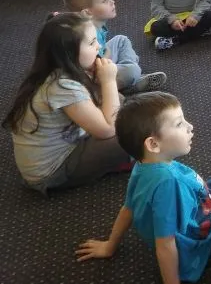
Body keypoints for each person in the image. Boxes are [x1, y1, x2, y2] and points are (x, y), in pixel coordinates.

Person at [76, 91, 211, 284]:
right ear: (153, 144)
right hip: (210, 236)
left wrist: (110, 245)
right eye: (179, 124)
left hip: (201, 201)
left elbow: (128, 208)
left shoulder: (143, 165)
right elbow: (165, 245)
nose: (190, 126)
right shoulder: (167, 187)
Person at [3, 13, 131, 194]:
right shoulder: (62, 86)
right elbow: (108, 130)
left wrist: (100, 84)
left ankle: (118, 158)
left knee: (121, 103)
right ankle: (123, 160)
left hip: (70, 143)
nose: (99, 46)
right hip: (52, 172)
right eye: (92, 42)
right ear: (69, 52)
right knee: (134, 134)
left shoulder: (58, 70)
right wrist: (108, 81)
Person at [64, 0, 166, 93]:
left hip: (102, 59)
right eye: (105, 0)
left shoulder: (94, 25)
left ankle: (129, 76)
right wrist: (108, 56)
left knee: (121, 40)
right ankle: (129, 86)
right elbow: (95, 69)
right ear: (88, 12)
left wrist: (107, 54)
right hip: (94, 75)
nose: (112, 2)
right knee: (131, 71)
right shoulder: (86, 36)